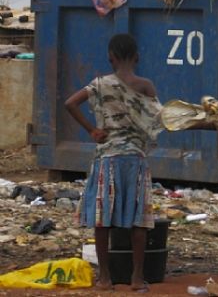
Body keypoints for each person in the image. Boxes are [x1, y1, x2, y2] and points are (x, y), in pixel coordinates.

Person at [65, 33, 162, 293]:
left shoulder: (98, 84)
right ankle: (136, 277)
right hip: (135, 160)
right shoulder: (145, 86)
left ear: (111, 58)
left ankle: (105, 278)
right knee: (139, 220)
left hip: (107, 159)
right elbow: (161, 120)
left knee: (102, 220)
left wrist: (92, 131)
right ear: (137, 57)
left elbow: (70, 103)